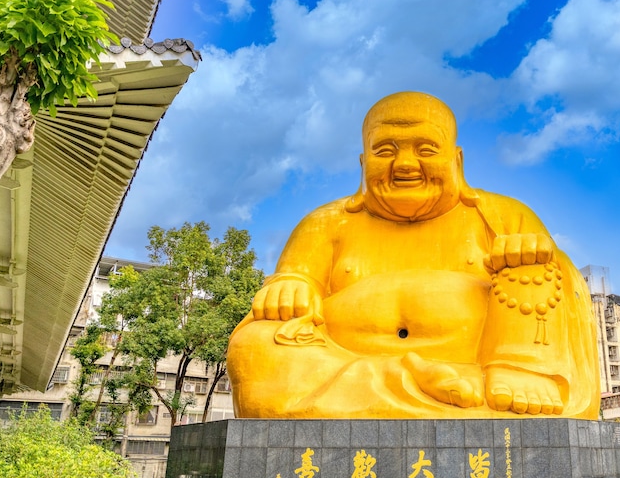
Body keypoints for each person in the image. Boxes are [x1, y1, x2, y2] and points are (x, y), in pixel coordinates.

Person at [227, 91, 600, 419]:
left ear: (457, 161)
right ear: (363, 163)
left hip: (486, 364)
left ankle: (523, 370)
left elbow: (558, 287)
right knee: (254, 344)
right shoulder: (325, 223)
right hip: (344, 359)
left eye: (425, 149)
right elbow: (294, 282)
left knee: (542, 265)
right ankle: (411, 379)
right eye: (385, 150)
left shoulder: (504, 215)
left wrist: (530, 253)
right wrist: (293, 284)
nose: (404, 165)